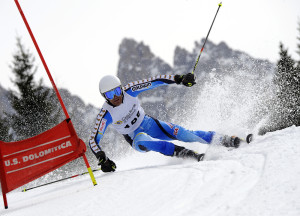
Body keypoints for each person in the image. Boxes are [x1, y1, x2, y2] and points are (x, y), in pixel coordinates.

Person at [89, 73, 240, 172]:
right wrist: (102, 158)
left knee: (186, 134)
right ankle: (184, 153)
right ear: (104, 97)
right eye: (109, 94)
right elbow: (93, 140)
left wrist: (179, 79)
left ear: (121, 88)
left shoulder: (130, 90)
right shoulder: (106, 114)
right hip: (135, 138)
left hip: (150, 124)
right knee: (144, 139)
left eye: (116, 91)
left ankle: (225, 139)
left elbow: (154, 81)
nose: (115, 96)